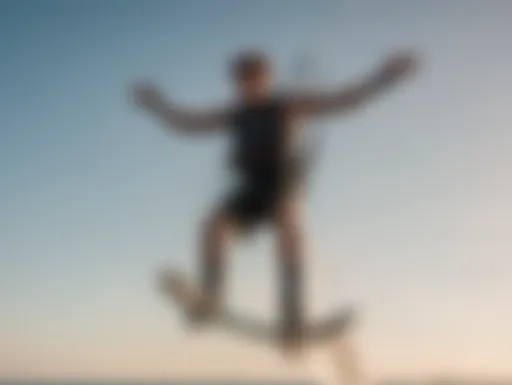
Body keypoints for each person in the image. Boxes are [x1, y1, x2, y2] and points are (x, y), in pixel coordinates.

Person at [132, 50, 419, 352]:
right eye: (242, 81)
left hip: (283, 186)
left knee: (289, 228)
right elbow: (187, 123)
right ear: (237, 83)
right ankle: (210, 300)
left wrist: (383, 78)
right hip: (251, 189)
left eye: (254, 79)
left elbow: (345, 101)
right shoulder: (235, 115)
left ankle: (292, 317)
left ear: (266, 79)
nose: (248, 86)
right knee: (213, 227)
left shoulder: (288, 105)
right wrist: (157, 105)